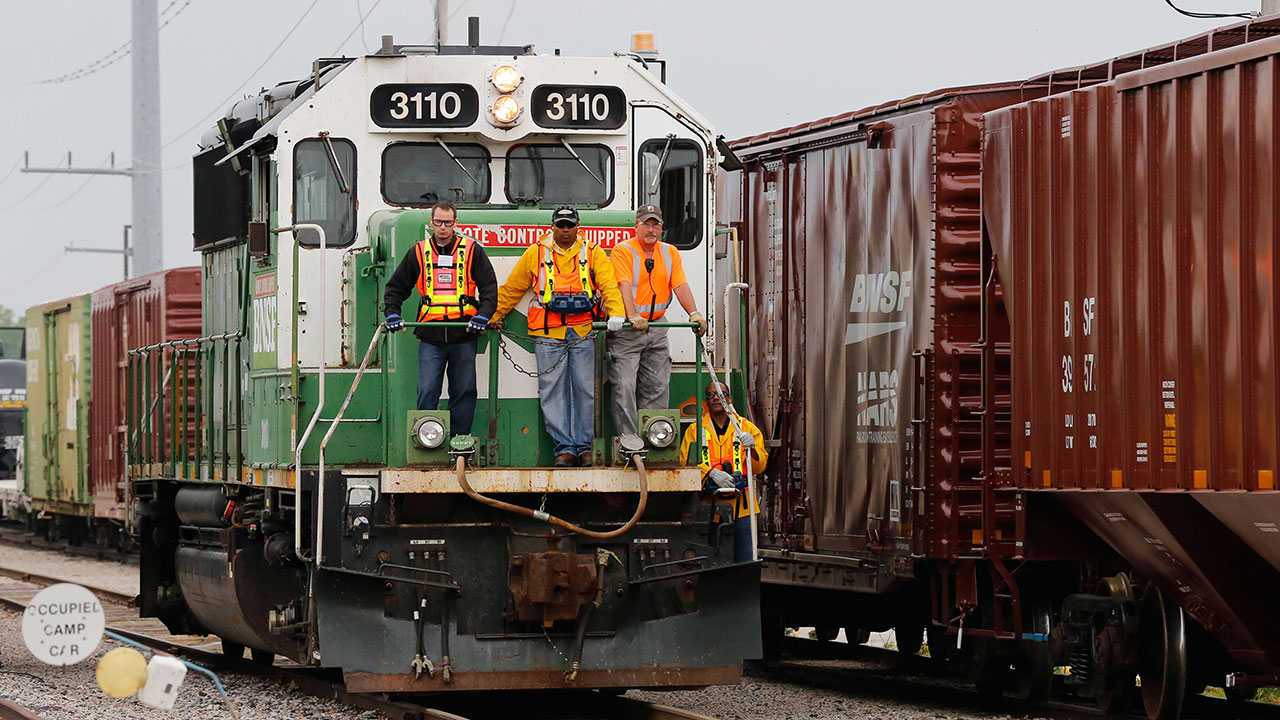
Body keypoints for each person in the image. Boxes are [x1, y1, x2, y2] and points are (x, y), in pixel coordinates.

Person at [490, 206, 625, 467]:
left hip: (583, 331)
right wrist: (494, 314)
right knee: (552, 390)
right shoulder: (535, 253)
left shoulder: (594, 252)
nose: (565, 230)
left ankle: (585, 448)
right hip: (547, 332)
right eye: (561, 225)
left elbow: (609, 284)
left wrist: (617, 313)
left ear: (578, 227)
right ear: (552, 226)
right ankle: (564, 448)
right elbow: (513, 287)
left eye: (570, 225)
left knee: (586, 390)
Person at [383, 200, 498, 435]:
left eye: (447, 222)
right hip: (431, 336)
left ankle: (459, 443)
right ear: (431, 223)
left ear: (455, 222)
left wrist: (483, 316)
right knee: (427, 389)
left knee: (464, 390)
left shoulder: (472, 250)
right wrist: (392, 312)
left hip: (464, 334)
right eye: (438, 222)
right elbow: (396, 287)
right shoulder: (418, 251)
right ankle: (427, 441)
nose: (443, 227)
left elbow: (489, 288)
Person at [608, 204, 707, 438]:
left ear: (662, 227)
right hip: (627, 330)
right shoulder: (623, 251)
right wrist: (632, 315)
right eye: (646, 224)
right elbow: (622, 284)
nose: (651, 229)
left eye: (656, 224)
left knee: (658, 386)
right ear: (636, 226)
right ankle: (630, 442)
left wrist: (694, 313)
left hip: (657, 326)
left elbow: (680, 284)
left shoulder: (669, 252)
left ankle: (654, 439)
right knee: (624, 386)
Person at [679, 381, 767, 563]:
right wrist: (710, 473)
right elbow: (684, 463)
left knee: (744, 561)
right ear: (706, 401)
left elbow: (760, 467)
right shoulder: (695, 430)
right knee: (710, 561)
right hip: (708, 508)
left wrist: (754, 449)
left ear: (729, 398)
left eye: (721, 394)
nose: (716, 398)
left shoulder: (746, 428)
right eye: (711, 395)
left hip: (742, 509)